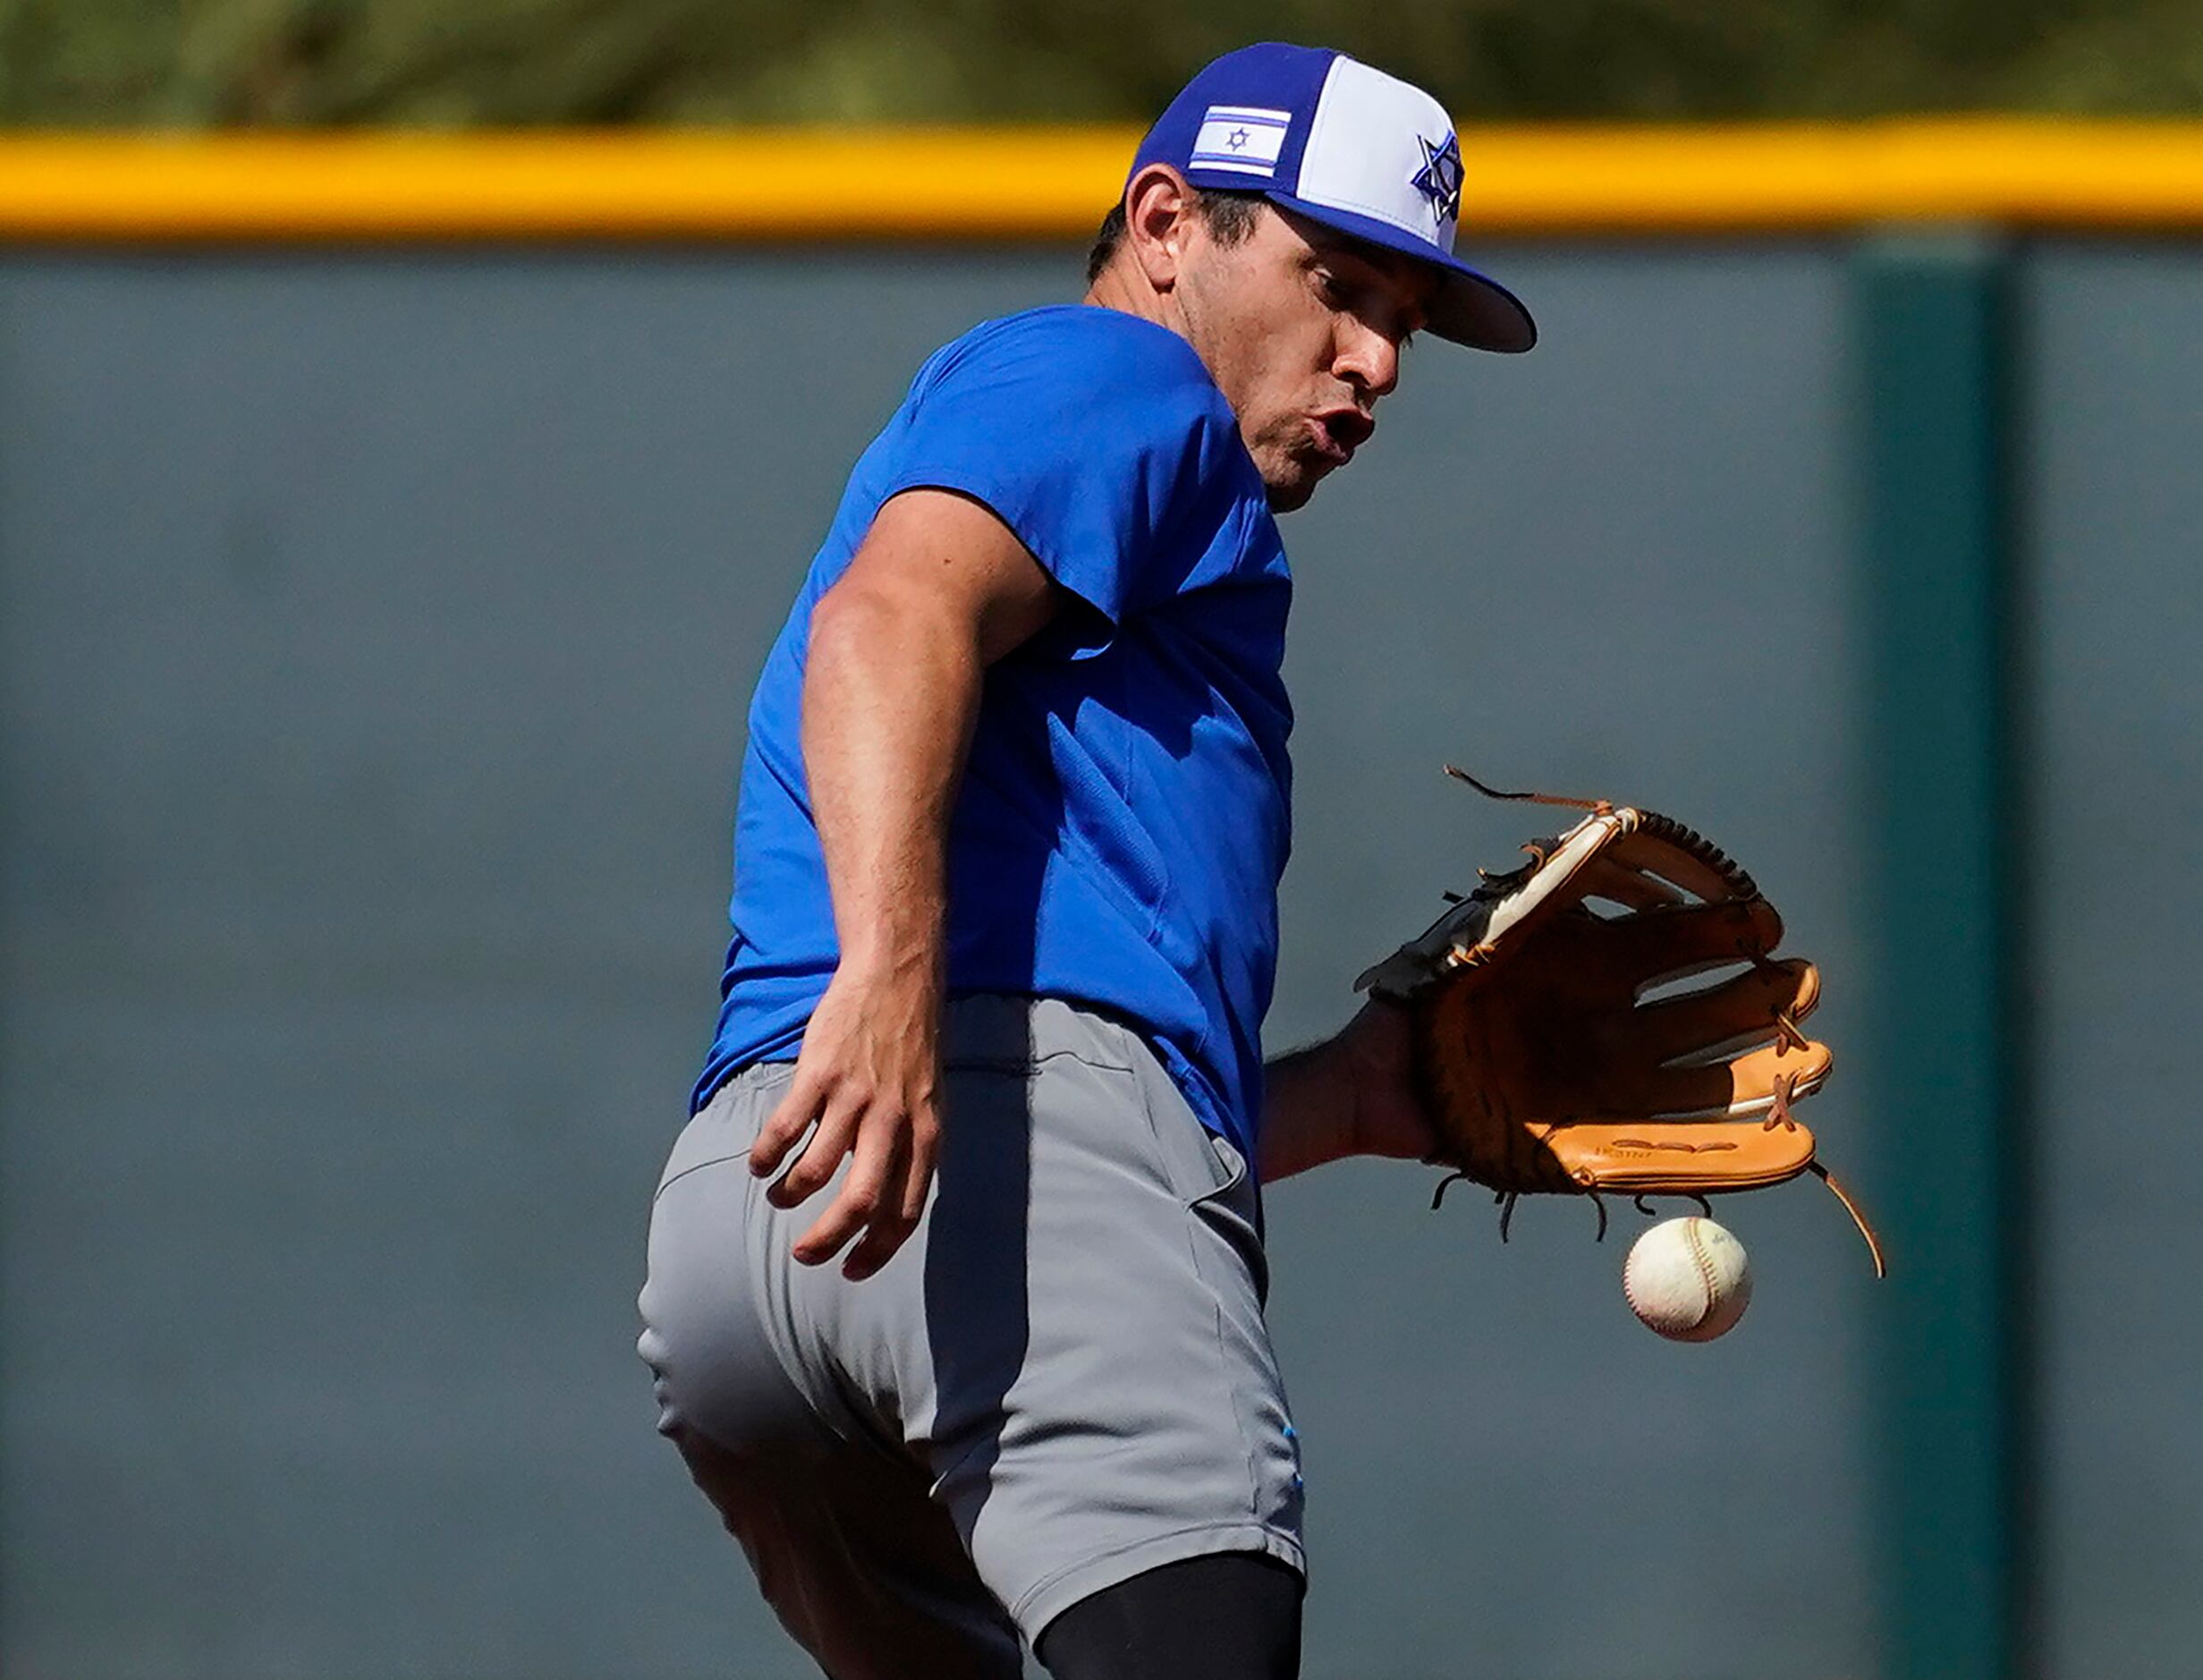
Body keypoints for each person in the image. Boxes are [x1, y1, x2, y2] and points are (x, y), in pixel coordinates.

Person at [637, 41, 1534, 1680]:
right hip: (960, 1142)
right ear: (1168, 221)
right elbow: (887, 620)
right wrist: (894, 980)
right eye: (1337, 284)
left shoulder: (1122, 516)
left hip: (756, 1211)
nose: (1377, 363)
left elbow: (1073, 1022)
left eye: (1403, 323)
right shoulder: (1120, 380)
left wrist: (1338, 1097)